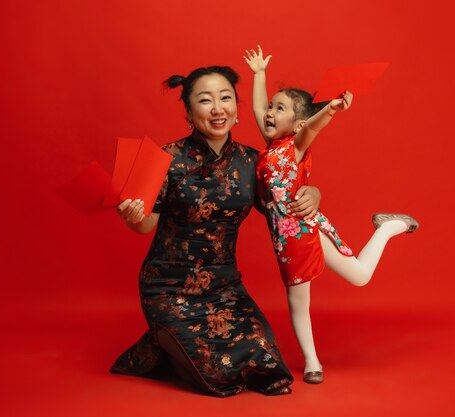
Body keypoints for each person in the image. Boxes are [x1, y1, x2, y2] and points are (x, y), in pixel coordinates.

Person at [109, 65, 323, 397]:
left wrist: (312, 193)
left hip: (226, 288)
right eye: (205, 100)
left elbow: (280, 205)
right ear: (188, 112)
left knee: (267, 367)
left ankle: (166, 341)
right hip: (168, 288)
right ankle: (163, 339)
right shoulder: (166, 158)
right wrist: (131, 215)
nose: (217, 108)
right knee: (218, 375)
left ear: (237, 108)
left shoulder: (253, 162)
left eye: (225, 98)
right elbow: (145, 225)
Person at [243, 45, 419, 384]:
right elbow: (255, 106)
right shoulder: (269, 148)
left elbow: (314, 128)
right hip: (284, 241)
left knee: (359, 277)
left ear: (296, 123)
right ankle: (312, 363)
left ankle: (387, 227)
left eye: (278, 109)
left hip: (307, 232)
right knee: (297, 300)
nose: (268, 112)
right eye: (271, 107)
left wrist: (332, 110)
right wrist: (259, 74)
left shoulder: (296, 145)